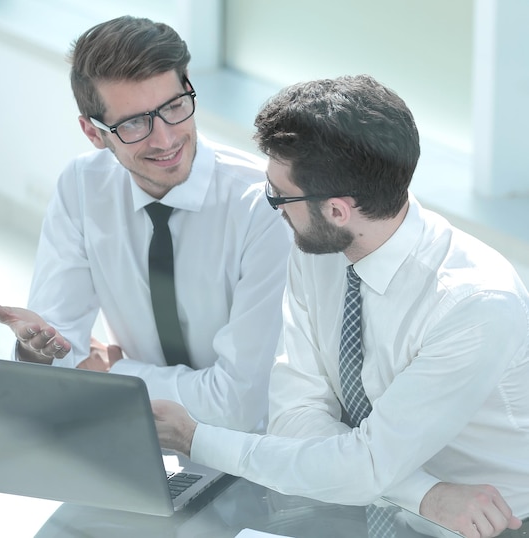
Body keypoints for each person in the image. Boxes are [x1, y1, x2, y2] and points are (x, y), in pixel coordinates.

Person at [152, 75, 529, 537]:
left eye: (278, 195)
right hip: (378, 499)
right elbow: (294, 416)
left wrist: (196, 438)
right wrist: (422, 492)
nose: (273, 206)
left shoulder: (475, 305)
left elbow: (365, 467)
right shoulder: (321, 250)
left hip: (492, 523)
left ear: (336, 210)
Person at [0, 15, 290, 432]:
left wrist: (114, 375)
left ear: (187, 87)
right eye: (134, 124)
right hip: (135, 431)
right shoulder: (82, 186)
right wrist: (38, 353)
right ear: (93, 132)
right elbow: (61, 349)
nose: (164, 139)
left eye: (174, 107)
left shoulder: (263, 204)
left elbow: (240, 405)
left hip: (252, 451)